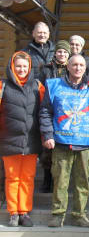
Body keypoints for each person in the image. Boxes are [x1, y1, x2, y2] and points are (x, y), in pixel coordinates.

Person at [40, 54, 89, 228]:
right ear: (67, 66)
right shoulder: (54, 86)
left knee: (82, 181)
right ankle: (58, 214)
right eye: (74, 64)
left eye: (81, 65)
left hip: (84, 144)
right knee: (60, 179)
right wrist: (48, 135)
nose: (78, 68)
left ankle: (79, 215)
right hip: (61, 143)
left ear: (85, 68)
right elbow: (45, 112)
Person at [0, 51, 45, 227]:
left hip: (31, 140)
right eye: (18, 66)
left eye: (24, 66)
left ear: (29, 68)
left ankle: (24, 211)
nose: (21, 69)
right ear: (12, 66)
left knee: (27, 177)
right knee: (12, 177)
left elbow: (44, 112)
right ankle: (13, 212)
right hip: (8, 140)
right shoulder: (3, 86)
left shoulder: (37, 86)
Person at [39, 40, 72, 193]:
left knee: (63, 147)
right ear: (55, 53)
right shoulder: (46, 69)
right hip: (50, 109)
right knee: (48, 149)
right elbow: (39, 87)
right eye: (59, 51)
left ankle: (61, 181)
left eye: (65, 52)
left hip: (66, 112)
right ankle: (47, 179)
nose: (62, 54)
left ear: (68, 54)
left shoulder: (72, 69)